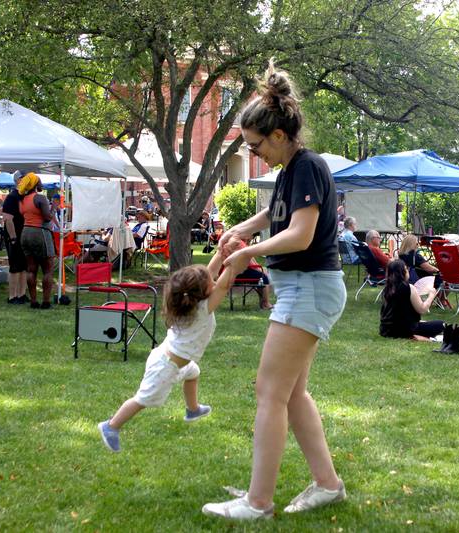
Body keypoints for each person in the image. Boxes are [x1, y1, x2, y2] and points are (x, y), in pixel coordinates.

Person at [202, 62, 347, 520]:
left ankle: (257, 502)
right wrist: (243, 228)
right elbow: (275, 215)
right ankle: (328, 485)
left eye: (256, 145)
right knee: (291, 394)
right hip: (302, 288)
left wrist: (249, 254)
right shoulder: (289, 171)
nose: (255, 152)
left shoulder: (306, 166)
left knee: (269, 391)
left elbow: (301, 235)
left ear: (279, 135)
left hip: (309, 288)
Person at [98, 247, 249, 452]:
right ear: (202, 293)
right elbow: (223, 285)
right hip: (165, 368)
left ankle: (193, 410)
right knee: (142, 400)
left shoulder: (185, 303)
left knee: (193, 373)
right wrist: (234, 264)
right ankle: (111, 426)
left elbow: (208, 273)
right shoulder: (202, 310)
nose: (212, 281)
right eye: (209, 283)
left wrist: (221, 254)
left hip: (170, 359)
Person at [379, 259, 445, 340]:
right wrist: (431, 295)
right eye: (406, 269)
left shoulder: (387, 289)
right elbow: (422, 309)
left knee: (424, 322)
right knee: (441, 324)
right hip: (406, 329)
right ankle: (422, 337)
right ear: (402, 272)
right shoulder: (409, 288)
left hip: (386, 330)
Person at [18, 173, 55, 309]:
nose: (41, 184)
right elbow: (46, 217)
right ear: (35, 184)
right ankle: (46, 302)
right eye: (39, 182)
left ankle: (33, 301)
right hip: (39, 232)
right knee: (48, 269)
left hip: (25, 232)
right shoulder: (40, 198)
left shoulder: (22, 200)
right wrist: (54, 209)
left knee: (31, 269)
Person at [1, 171, 28, 304]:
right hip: (15, 236)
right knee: (15, 267)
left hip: (24, 235)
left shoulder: (25, 195)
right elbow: (8, 219)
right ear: (17, 180)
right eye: (24, 179)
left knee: (24, 267)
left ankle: (22, 294)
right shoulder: (12, 197)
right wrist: (13, 238)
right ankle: (12, 296)